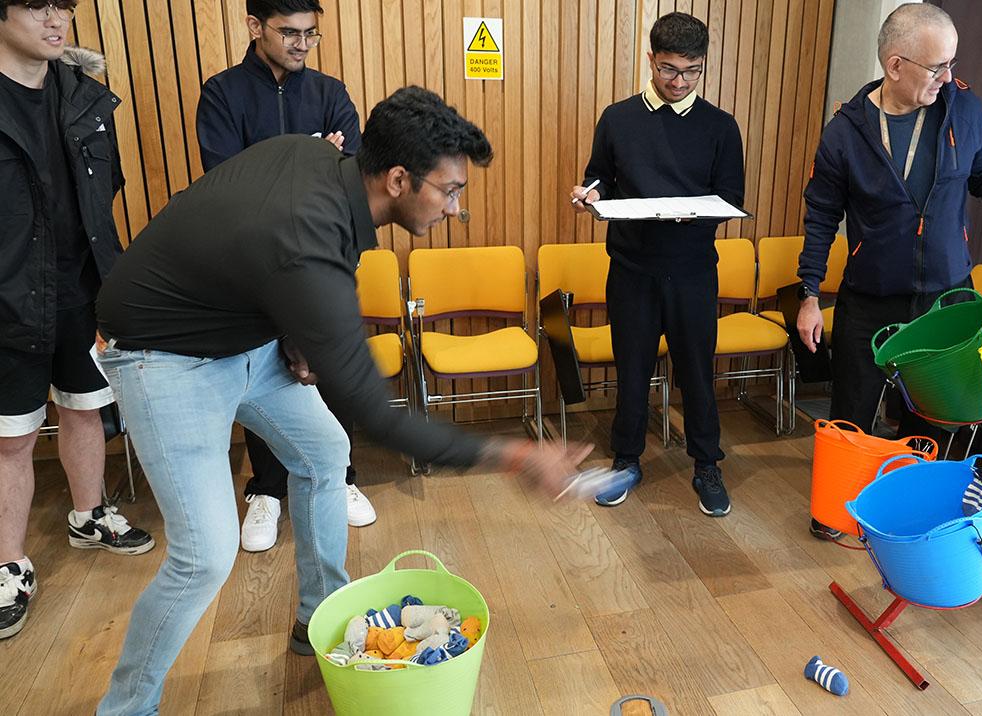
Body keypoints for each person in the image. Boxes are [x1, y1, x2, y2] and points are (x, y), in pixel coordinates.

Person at [92, 85, 590, 715]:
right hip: (161, 357)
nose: (457, 208)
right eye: (451, 190)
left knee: (324, 452)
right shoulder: (307, 235)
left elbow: (273, 262)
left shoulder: (319, 162)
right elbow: (374, 412)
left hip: (242, 339)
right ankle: (126, 708)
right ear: (400, 178)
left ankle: (318, 619)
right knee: (205, 556)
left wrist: (299, 335)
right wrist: (517, 456)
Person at [794, 3, 982, 540]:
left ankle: (903, 517)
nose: (947, 77)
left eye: (950, 63)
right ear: (895, 63)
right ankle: (838, 511)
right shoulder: (845, 133)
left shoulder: (964, 108)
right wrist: (810, 293)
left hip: (946, 297)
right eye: (936, 67)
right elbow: (820, 216)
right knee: (853, 408)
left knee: (928, 417)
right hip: (870, 295)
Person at [0, 0, 154, 642]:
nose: (56, 18)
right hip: (7, 298)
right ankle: (8, 565)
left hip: (82, 288)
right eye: (37, 5)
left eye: (63, 5)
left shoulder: (86, 97)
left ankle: (88, 515)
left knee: (86, 406)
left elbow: (106, 188)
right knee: (11, 436)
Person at [197, 0, 371, 551]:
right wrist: (305, 158)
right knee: (262, 372)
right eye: (290, 33)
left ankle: (340, 476)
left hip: (323, 260)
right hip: (252, 264)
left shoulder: (329, 93)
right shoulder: (223, 93)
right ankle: (267, 490)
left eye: (311, 34)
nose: (301, 44)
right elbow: (225, 178)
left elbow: (352, 179)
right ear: (255, 27)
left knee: (328, 365)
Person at [571, 12, 745, 517]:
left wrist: (687, 212)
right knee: (631, 371)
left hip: (692, 270)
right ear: (650, 59)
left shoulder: (720, 126)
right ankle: (625, 460)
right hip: (632, 267)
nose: (679, 81)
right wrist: (591, 194)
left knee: (696, 370)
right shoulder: (618, 118)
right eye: (669, 69)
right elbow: (599, 176)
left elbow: (730, 196)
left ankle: (706, 464)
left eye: (692, 71)